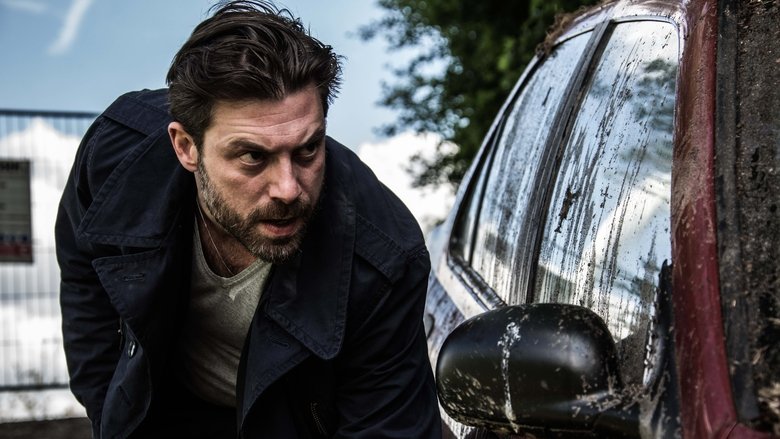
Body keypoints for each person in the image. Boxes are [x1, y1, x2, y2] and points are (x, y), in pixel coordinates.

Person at [55, 1, 442, 437]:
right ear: (186, 147)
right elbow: (83, 277)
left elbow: (387, 426)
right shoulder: (116, 158)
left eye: (308, 149)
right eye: (253, 156)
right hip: (165, 407)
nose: (288, 189)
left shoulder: (383, 259)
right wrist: (110, 411)